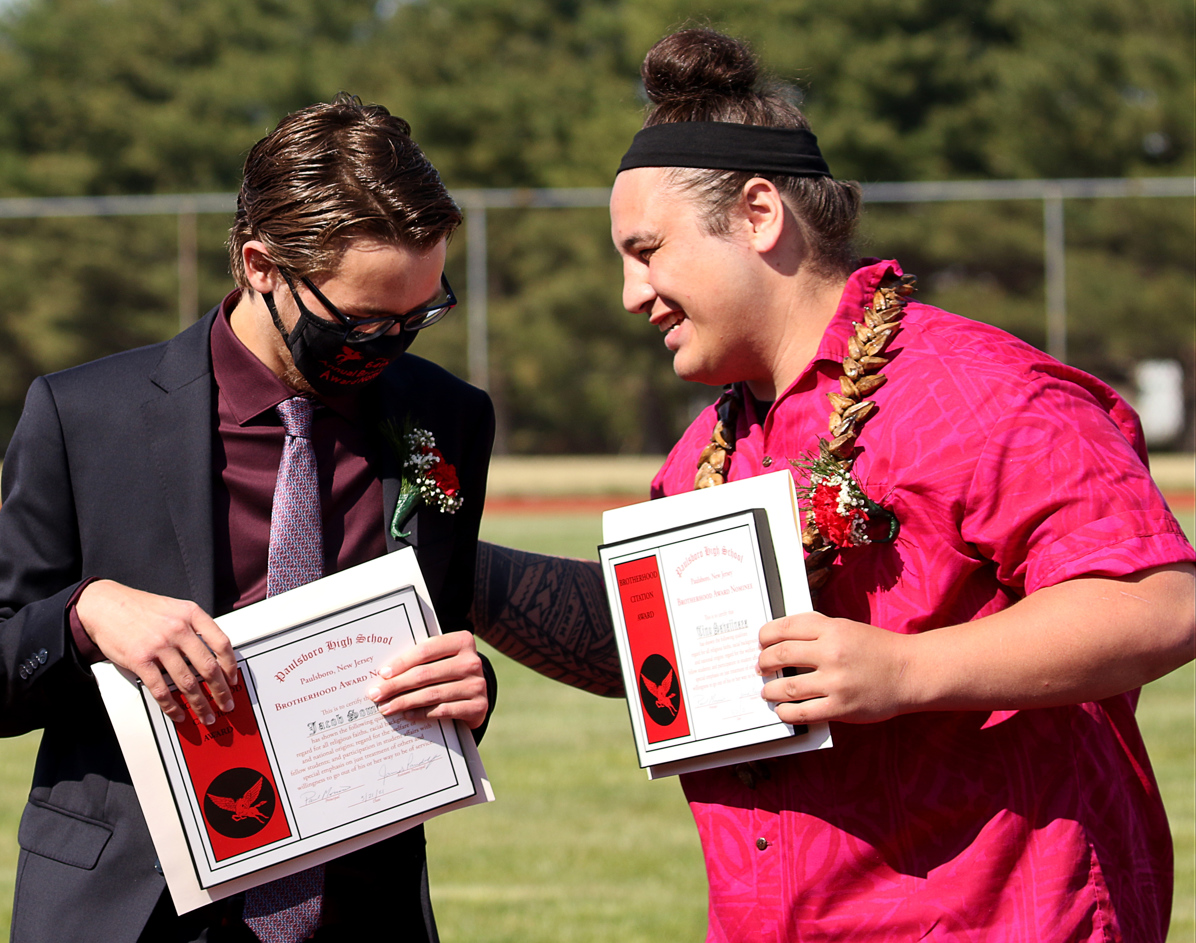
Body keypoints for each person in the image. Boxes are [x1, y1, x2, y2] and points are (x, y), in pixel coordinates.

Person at [471, 29, 1196, 942]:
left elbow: (1157, 601)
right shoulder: (702, 453)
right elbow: (650, 655)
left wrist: (905, 670)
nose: (631, 292)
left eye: (647, 250)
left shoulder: (980, 391)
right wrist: (459, 572)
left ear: (758, 214)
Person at [0, 95, 496, 943]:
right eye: (360, 321)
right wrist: (86, 614)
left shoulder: (449, 417)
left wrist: (468, 688)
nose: (391, 344)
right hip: (133, 914)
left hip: (361, 909)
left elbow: (437, 642)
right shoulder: (84, 416)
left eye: (419, 314)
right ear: (260, 264)